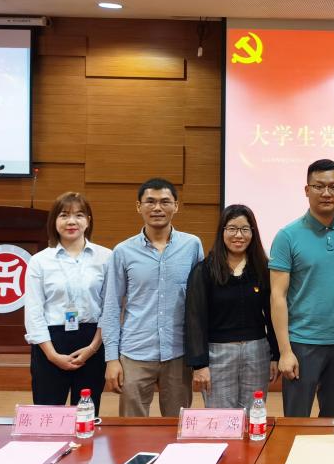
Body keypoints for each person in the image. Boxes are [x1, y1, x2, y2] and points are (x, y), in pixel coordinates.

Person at [270, 159, 334, 418]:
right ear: (306, 190)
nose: (326, 193)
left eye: (333, 187)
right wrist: (285, 351)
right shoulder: (287, 235)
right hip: (301, 344)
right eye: (319, 186)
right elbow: (277, 296)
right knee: (296, 419)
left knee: (333, 420)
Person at [100, 178, 203, 417]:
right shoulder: (123, 251)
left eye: (165, 201)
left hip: (178, 352)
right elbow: (112, 307)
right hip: (135, 352)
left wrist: (200, 356)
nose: (157, 208)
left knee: (177, 425)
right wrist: (111, 359)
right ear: (139, 206)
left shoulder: (192, 245)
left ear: (176, 206)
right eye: (150, 202)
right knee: (131, 427)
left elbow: (199, 303)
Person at [185, 204, 278, 410]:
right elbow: (194, 319)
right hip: (217, 354)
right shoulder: (205, 270)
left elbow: (273, 314)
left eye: (245, 229)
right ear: (222, 231)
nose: (239, 235)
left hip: (257, 352)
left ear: (253, 233)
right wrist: (200, 364)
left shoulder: (262, 269)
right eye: (232, 229)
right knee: (222, 418)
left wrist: (276, 355)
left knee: (253, 413)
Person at [24, 192, 110, 413]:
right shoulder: (39, 261)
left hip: (92, 342)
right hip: (50, 343)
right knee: (48, 416)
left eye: (79, 215)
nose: (72, 221)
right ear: (54, 221)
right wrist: (52, 355)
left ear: (88, 220)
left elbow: (109, 309)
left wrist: (92, 348)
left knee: (86, 414)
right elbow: (33, 312)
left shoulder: (106, 257)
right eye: (64, 215)